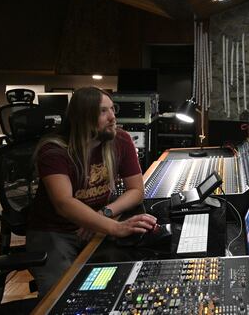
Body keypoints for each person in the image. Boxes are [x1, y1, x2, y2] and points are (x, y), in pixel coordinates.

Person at [26, 87, 157, 297]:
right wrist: (115, 228)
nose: (113, 117)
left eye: (113, 109)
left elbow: (136, 190)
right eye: (103, 111)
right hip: (55, 232)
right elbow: (64, 204)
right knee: (61, 298)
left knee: (117, 285)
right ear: (81, 118)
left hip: (97, 223)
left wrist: (103, 214)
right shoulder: (54, 151)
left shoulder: (120, 140)